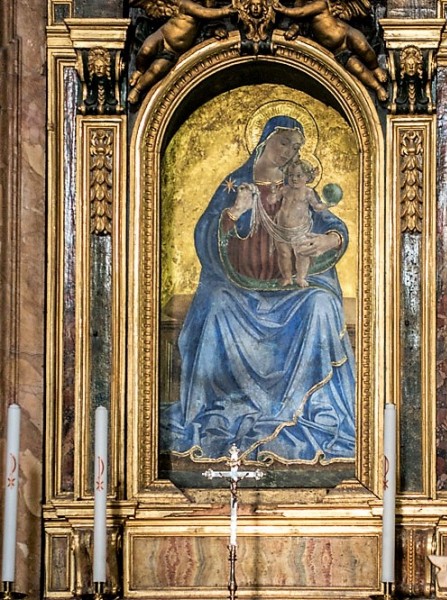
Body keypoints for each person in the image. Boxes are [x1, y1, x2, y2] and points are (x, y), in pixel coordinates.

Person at [160, 114, 355, 465]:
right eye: (284, 143)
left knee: (322, 303)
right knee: (215, 303)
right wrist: (233, 214)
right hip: (239, 289)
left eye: (296, 147)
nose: (289, 152)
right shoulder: (236, 184)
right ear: (264, 141)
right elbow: (205, 235)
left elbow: (331, 224)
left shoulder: (300, 188)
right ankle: (215, 408)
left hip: (290, 287)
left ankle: (312, 410)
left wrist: (329, 239)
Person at [274, 0, 388, 101]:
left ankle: (375, 68)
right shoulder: (301, 4)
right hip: (337, 50)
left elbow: (301, 12)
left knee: (363, 47)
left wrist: (283, 10)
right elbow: (300, 17)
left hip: (347, 34)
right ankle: (377, 87)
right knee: (358, 69)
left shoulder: (320, 3)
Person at [128, 0, 234, 104]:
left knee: (156, 70)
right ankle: (139, 71)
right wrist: (226, 11)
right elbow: (205, 12)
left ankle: (138, 89)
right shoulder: (186, 4)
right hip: (162, 36)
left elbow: (207, 15)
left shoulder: (202, 8)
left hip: (173, 51)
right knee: (146, 50)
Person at [267, 158, 326, 287]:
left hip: (300, 231)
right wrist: (272, 194)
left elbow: (316, 206)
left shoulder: (308, 192)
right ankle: (287, 277)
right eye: (291, 175)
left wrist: (325, 205)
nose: (294, 178)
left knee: (302, 254)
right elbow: (272, 200)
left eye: (299, 175)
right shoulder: (284, 190)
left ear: (307, 177)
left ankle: (300, 277)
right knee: (283, 254)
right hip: (282, 230)